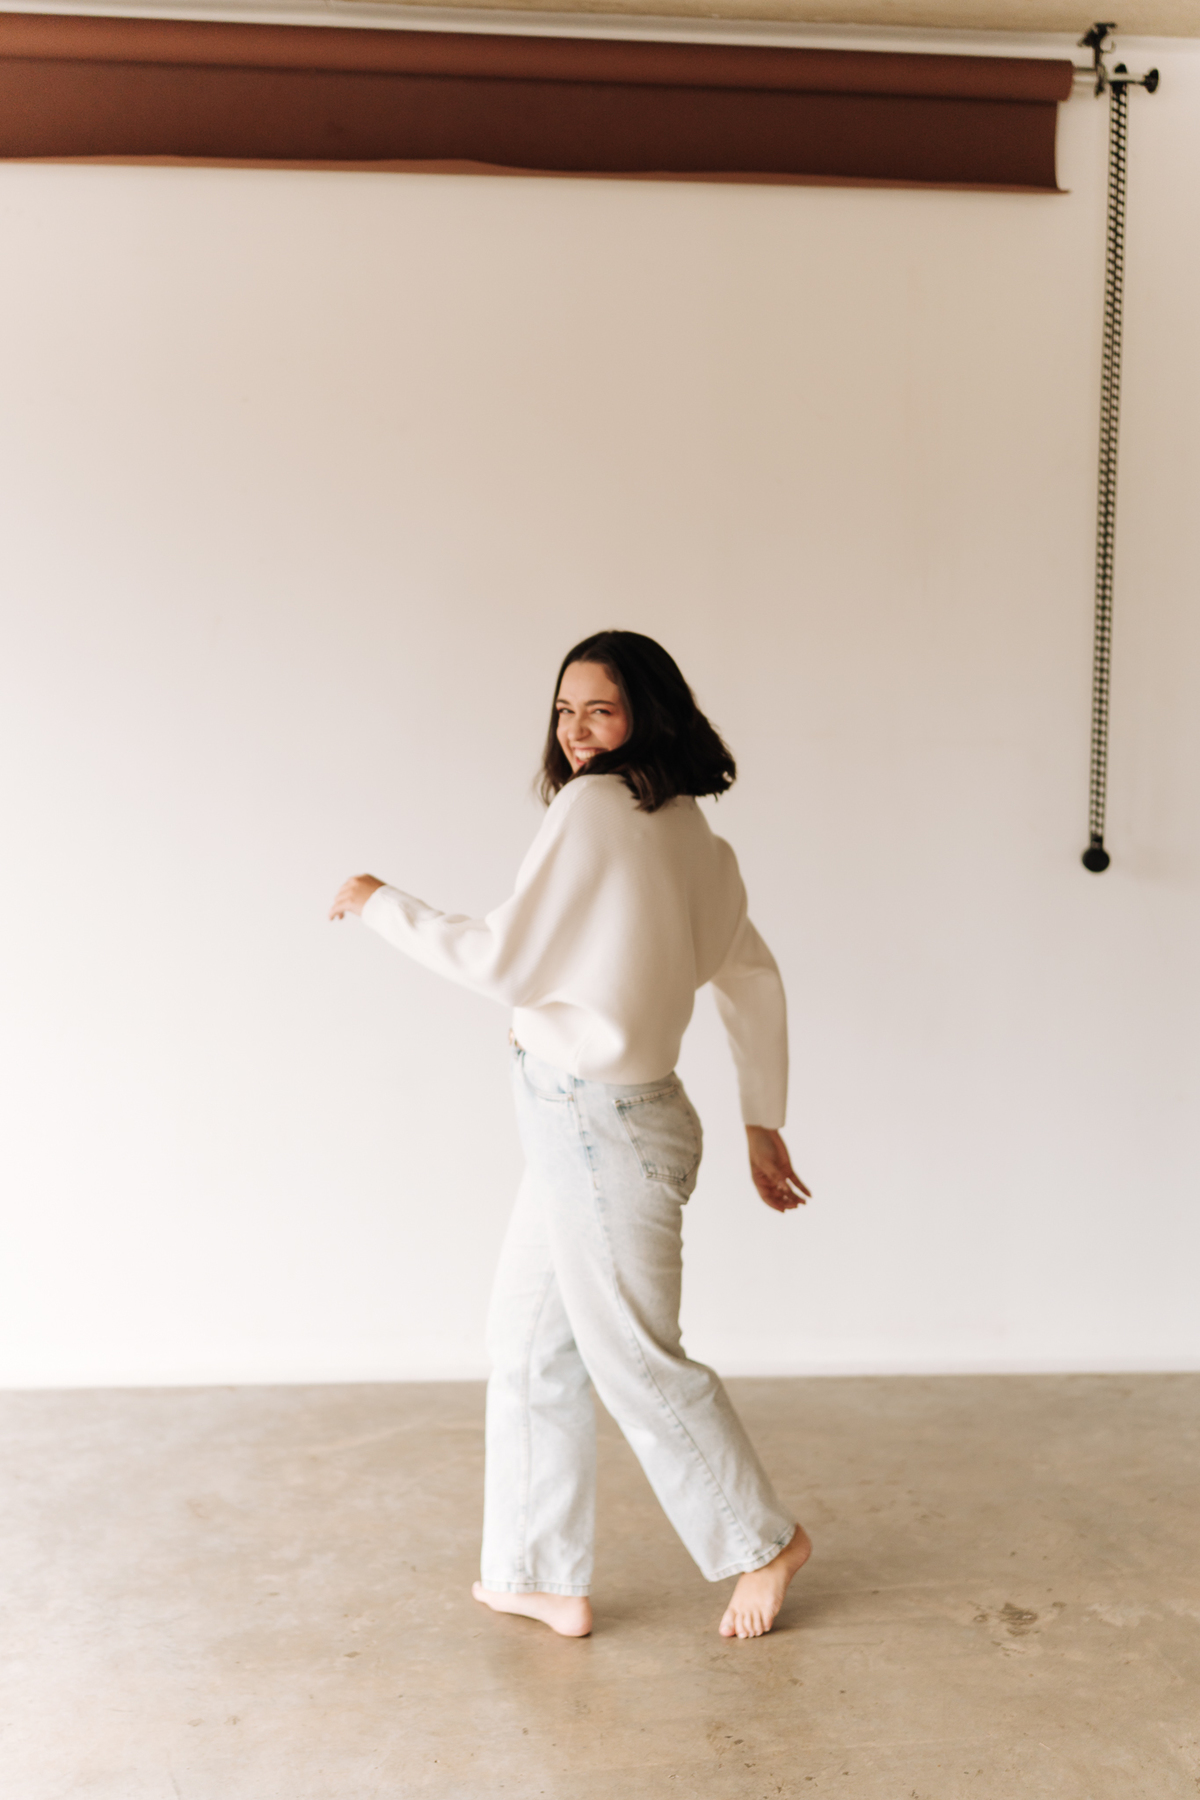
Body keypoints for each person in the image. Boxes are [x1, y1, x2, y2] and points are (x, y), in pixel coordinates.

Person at [329, 630, 812, 1640]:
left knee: (636, 1358)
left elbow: (503, 960)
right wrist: (760, 1117)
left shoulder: (593, 808)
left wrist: (381, 904)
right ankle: (537, 1573)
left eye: (601, 708)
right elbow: (750, 972)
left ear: (647, 713)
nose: (577, 731)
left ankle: (763, 1543)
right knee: (528, 1344)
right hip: (593, 1121)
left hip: (601, 1128)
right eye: (564, 710)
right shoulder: (689, 830)